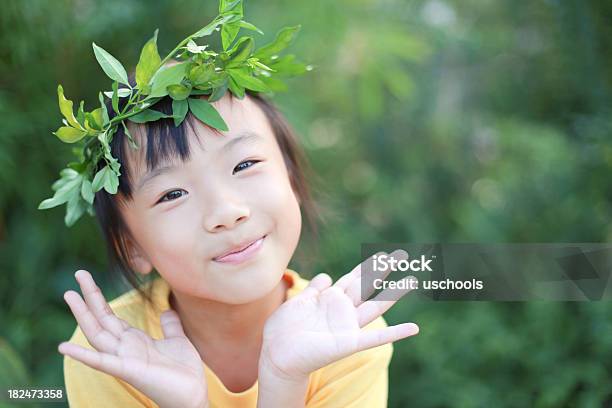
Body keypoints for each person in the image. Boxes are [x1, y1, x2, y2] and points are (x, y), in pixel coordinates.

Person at [40, 2, 419, 406]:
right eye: (172, 194)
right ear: (131, 245)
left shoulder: (345, 334)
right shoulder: (114, 352)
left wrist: (283, 379)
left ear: (290, 176)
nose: (226, 212)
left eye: (245, 164)